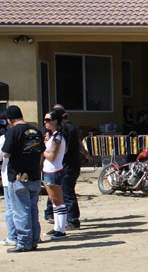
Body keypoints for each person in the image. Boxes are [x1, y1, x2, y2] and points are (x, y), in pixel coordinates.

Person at [1, 105, 45, 253]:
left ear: (9, 119)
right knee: (33, 210)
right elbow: (41, 153)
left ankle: (24, 242)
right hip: (34, 176)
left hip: (18, 177)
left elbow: (5, 154)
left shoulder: (13, 131)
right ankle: (34, 241)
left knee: (21, 211)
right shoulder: (36, 131)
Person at [43, 104, 93, 229]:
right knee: (57, 191)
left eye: (49, 119)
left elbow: (64, 149)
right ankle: (51, 214)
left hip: (67, 165)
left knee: (67, 192)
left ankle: (72, 220)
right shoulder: (65, 129)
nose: (46, 122)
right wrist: (86, 154)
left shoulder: (65, 130)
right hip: (67, 164)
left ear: (57, 119)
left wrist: (45, 148)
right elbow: (78, 143)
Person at [41, 109, 68, 240]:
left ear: (55, 121)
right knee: (54, 201)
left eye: (48, 120)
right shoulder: (55, 136)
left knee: (58, 201)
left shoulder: (57, 137)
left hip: (54, 171)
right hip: (51, 170)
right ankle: (57, 228)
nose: (45, 122)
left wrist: (42, 149)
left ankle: (61, 230)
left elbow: (52, 156)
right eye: (45, 119)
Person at [0, 114, 17, 246]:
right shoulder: (27, 134)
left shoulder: (3, 138)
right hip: (26, 176)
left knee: (11, 208)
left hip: (8, 177)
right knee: (27, 208)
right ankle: (32, 235)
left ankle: (12, 236)